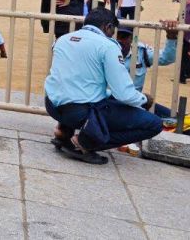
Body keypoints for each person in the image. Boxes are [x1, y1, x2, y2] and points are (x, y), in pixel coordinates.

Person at [44, 9, 163, 164]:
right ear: (108, 27)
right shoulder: (107, 46)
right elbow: (124, 94)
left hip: (52, 105)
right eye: (113, 31)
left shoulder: (63, 39)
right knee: (154, 124)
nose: (113, 35)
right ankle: (85, 142)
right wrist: (143, 99)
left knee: (82, 91)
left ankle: (63, 132)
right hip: (79, 112)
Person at [116, 25, 177, 116]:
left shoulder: (141, 52)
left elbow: (166, 58)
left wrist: (171, 36)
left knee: (175, 118)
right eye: (116, 36)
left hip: (136, 102)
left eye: (123, 37)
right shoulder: (102, 52)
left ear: (131, 38)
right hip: (111, 104)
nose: (119, 41)